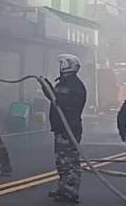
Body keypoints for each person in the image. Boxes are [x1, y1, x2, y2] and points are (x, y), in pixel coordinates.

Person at [43, 54, 87, 204]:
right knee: (62, 162)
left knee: (70, 162)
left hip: (69, 129)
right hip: (61, 128)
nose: (60, 65)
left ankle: (71, 192)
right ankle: (63, 189)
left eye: (61, 63)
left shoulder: (74, 85)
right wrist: (47, 87)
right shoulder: (65, 82)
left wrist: (50, 91)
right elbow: (56, 98)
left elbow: (61, 102)